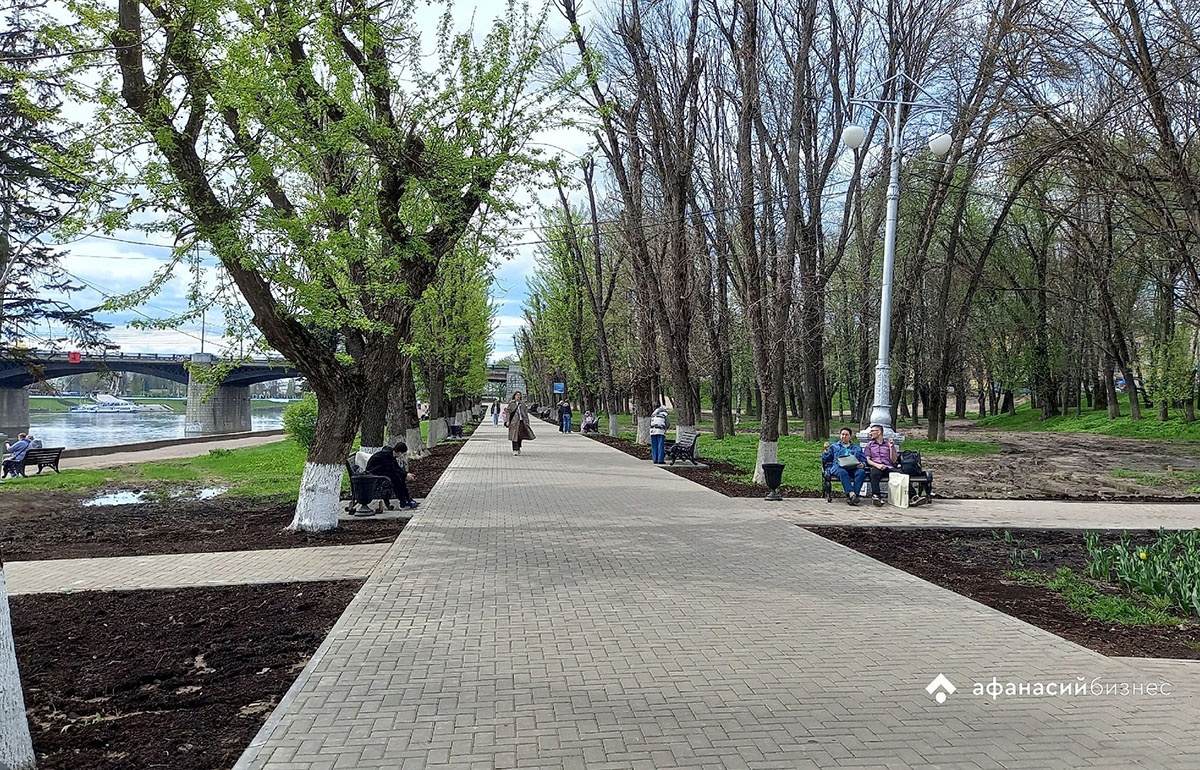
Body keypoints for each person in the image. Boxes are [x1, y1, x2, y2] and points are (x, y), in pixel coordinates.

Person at [364, 442, 419, 510]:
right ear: (399, 452)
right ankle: (403, 500)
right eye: (402, 454)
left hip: (381, 472)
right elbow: (392, 469)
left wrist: (406, 474)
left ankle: (406, 498)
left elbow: (396, 467)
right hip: (374, 475)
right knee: (396, 477)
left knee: (399, 476)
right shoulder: (386, 456)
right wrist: (405, 475)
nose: (401, 455)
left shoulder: (391, 455)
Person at [822, 427, 867, 505]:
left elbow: (864, 460)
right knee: (843, 473)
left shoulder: (857, 448)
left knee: (861, 472)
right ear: (840, 436)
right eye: (842, 434)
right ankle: (852, 495)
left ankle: (853, 496)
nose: (844, 436)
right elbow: (826, 459)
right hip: (838, 467)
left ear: (850, 436)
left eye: (846, 435)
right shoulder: (834, 446)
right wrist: (826, 452)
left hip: (853, 467)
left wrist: (862, 464)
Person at [862, 423, 898, 506]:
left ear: (879, 432)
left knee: (901, 475)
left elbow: (893, 460)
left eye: (872, 431)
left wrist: (891, 447)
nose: (870, 433)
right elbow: (868, 460)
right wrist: (877, 465)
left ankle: (914, 496)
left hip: (888, 467)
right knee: (874, 474)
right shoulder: (870, 445)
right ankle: (876, 496)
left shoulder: (887, 444)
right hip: (876, 466)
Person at [505, 390, 535, 455]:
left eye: (519, 395)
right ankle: (515, 449)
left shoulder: (522, 404)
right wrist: (507, 421)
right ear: (514, 396)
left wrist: (527, 421)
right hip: (514, 422)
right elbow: (507, 412)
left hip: (521, 422)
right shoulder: (511, 403)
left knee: (520, 436)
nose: (518, 396)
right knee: (514, 436)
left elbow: (525, 413)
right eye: (517, 395)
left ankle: (518, 446)